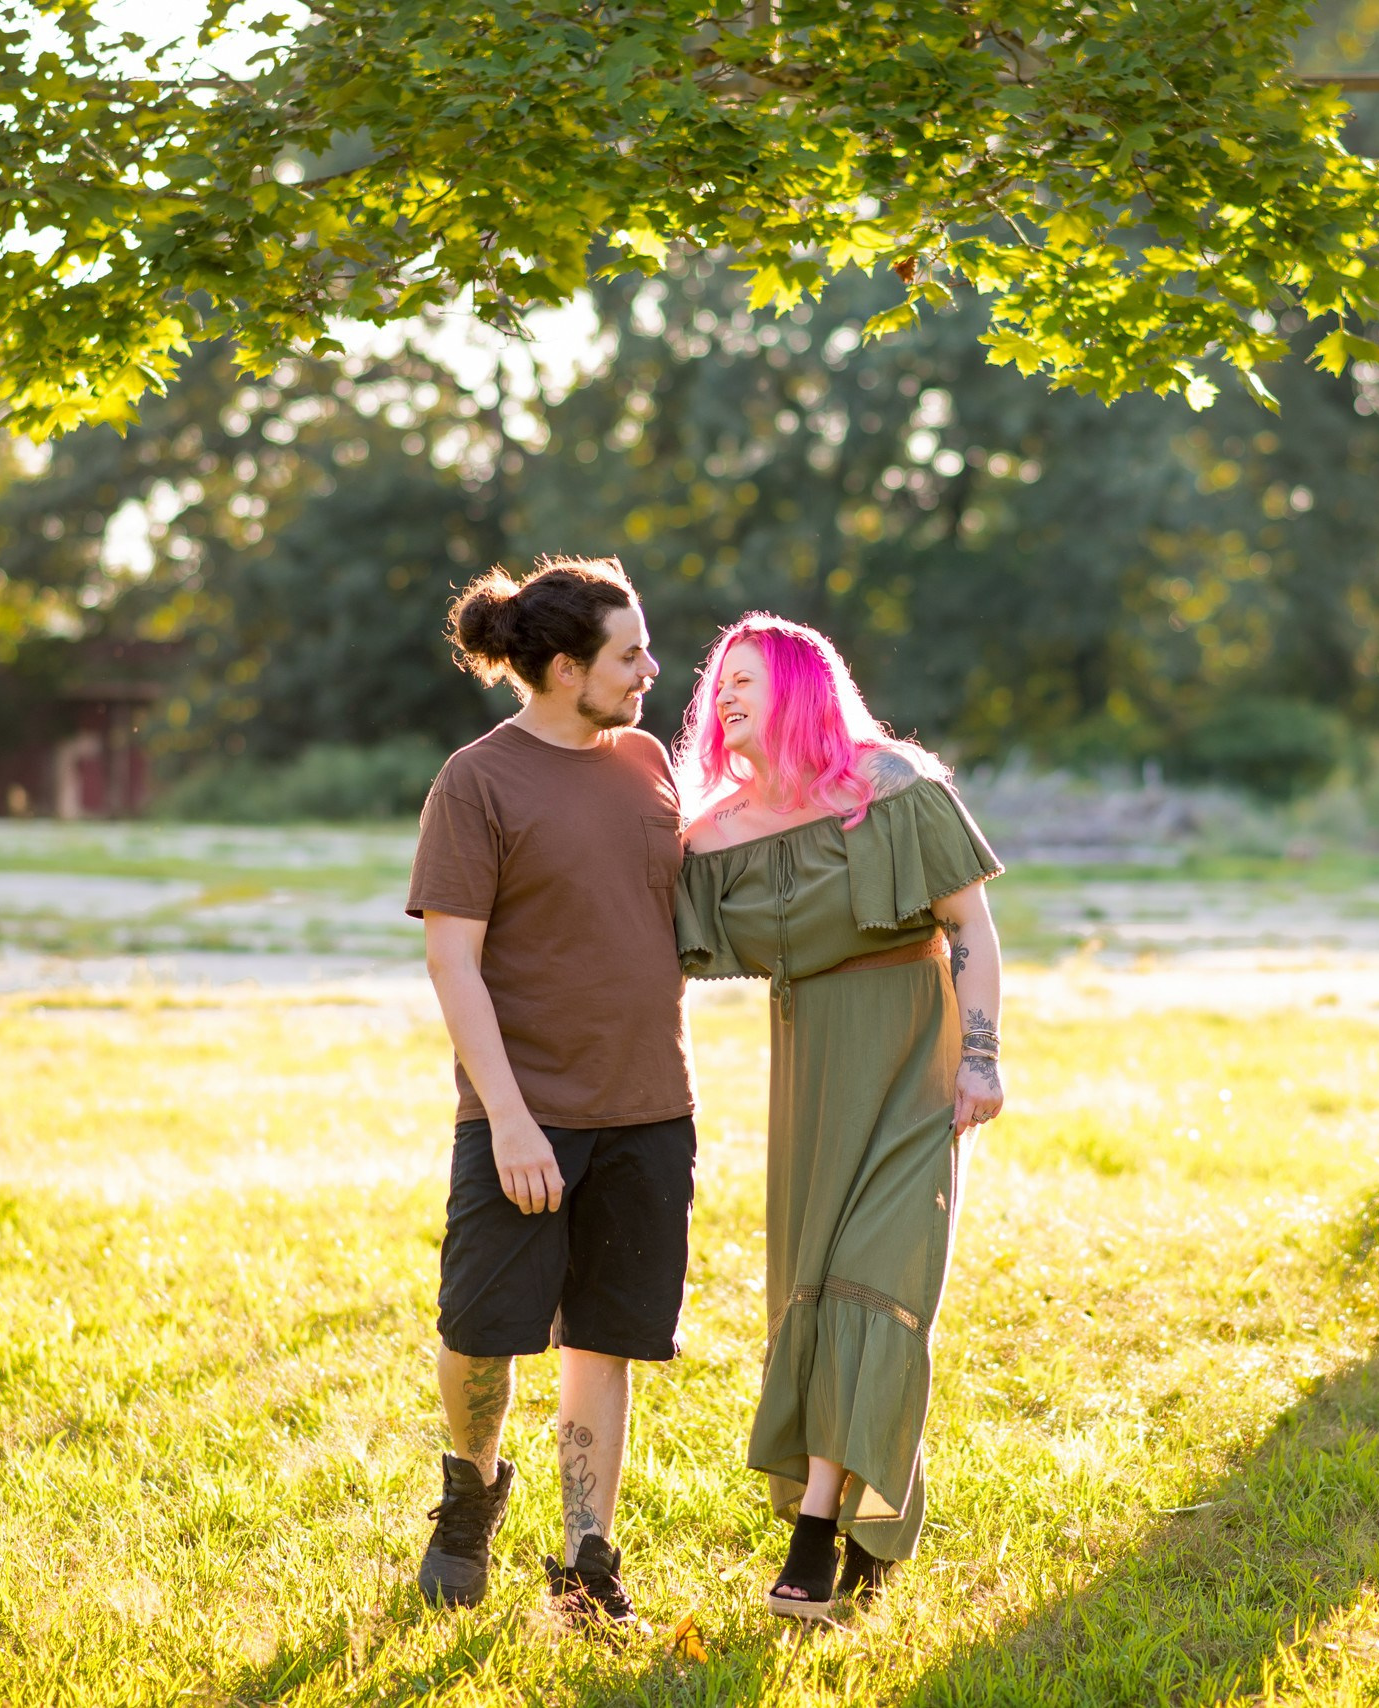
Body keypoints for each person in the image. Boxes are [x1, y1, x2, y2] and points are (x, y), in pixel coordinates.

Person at [673, 614, 1007, 1619]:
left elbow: (974, 932)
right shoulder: (715, 833)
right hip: (812, 1067)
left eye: (746, 677)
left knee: (882, 1287)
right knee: (815, 1293)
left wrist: (983, 1057)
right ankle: (868, 1534)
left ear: (801, 684)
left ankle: (816, 1531)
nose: (723, 696)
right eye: (716, 683)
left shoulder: (894, 785)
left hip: (915, 1060)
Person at [405, 556, 696, 1633]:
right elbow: (453, 964)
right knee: (482, 1331)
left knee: (605, 1337)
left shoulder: (648, 761)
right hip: (520, 1115)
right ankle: (469, 1492)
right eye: (630, 655)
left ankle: (584, 1558)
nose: (651, 670)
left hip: (651, 1105)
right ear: (567, 668)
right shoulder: (476, 781)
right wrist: (513, 1119)